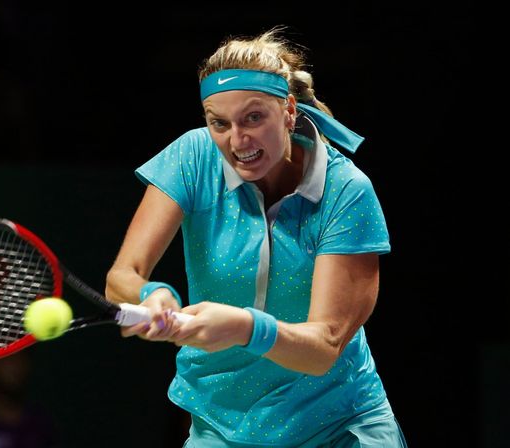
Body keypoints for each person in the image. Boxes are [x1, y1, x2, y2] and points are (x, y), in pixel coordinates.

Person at [105, 27, 408, 447]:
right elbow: (123, 276)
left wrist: (245, 328)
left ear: (287, 109)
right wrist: (150, 294)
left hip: (336, 426)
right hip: (222, 425)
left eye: (253, 117)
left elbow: (324, 347)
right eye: (219, 123)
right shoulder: (193, 156)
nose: (237, 141)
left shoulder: (345, 191)